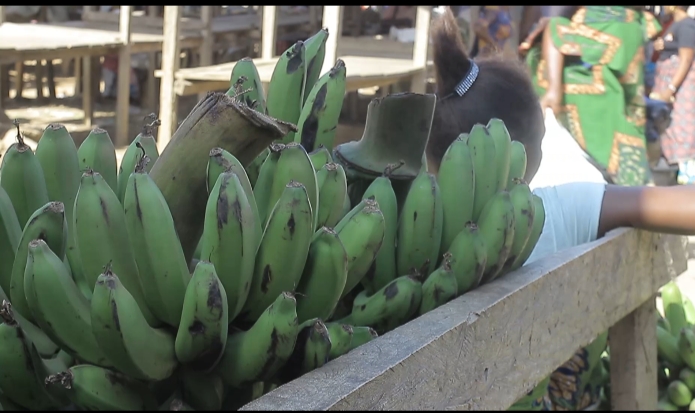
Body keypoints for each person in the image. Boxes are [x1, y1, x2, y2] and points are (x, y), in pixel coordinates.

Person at [426, 7, 695, 411]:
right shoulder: (559, 205)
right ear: (535, 151)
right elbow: (670, 204)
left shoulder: (415, 238)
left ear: (434, 161)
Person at [522, 6, 661, 186]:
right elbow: (557, 29)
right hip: (597, 110)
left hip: (569, 105)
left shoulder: (609, 24)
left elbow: (556, 29)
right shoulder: (621, 24)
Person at [652, 6, 695, 184]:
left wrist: (670, 88)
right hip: (672, 87)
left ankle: (689, 176)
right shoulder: (673, 25)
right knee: (670, 127)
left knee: (684, 128)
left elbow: (686, 59)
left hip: (683, 88)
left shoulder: (686, 25)